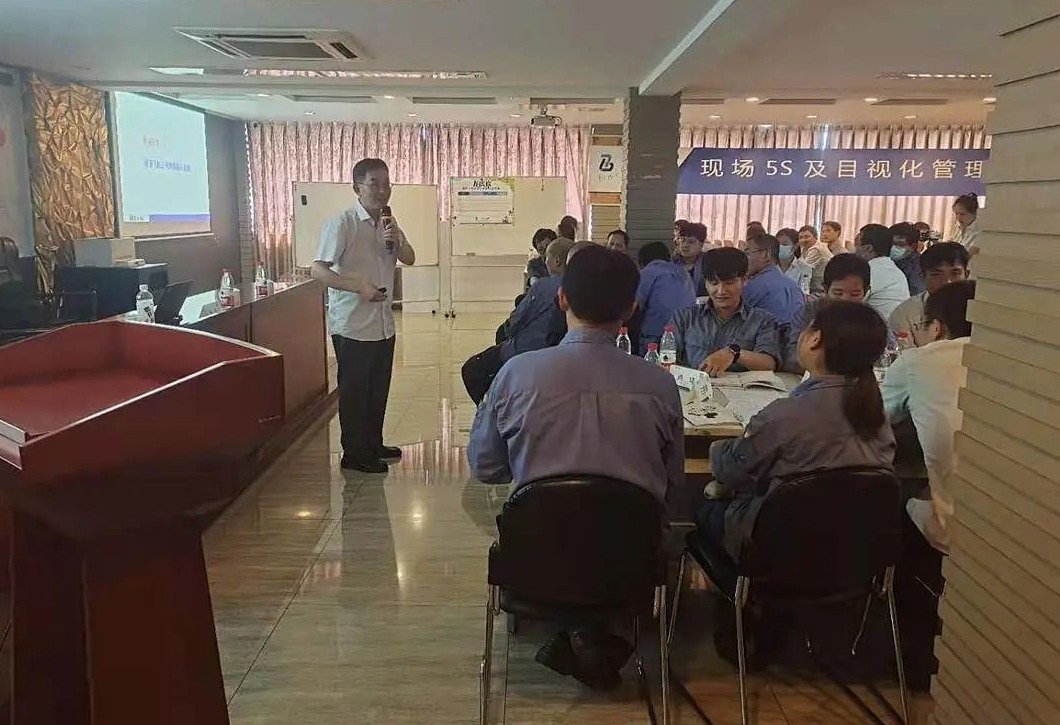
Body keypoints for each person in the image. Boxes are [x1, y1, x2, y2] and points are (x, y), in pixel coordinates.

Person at [468, 245, 684, 691]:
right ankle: (593, 634)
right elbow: (672, 486)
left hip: (537, 557)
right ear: (631, 309)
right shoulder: (660, 385)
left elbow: (486, 467)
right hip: (631, 559)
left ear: (562, 298)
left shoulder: (516, 375)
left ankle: (578, 632)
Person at [697, 301, 895, 561]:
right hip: (852, 554)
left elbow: (730, 470)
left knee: (702, 505)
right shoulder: (878, 417)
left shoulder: (784, 415)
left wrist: (719, 449)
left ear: (815, 338)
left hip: (776, 550)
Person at [312, 158, 416, 474]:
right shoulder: (342, 224)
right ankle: (354, 454)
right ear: (357, 187)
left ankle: (373, 443)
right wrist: (357, 286)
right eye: (374, 184)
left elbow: (410, 258)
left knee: (377, 390)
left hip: (383, 324)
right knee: (355, 393)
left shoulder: (389, 222)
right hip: (353, 324)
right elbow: (318, 270)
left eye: (387, 184)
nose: (382, 190)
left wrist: (397, 240)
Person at [882, 281, 976, 553]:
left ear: (936, 327)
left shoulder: (917, 361)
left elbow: (876, 418)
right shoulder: (1018, 361)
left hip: (956, 531)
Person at [462, 238, 573, 405]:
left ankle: (491, 410)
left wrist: (508, 331)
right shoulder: (579, 288)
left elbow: (516, 321)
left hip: (526, 350)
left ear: (557, 260)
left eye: (547, 257)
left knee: (472, 369)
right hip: (557, 354)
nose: (544, 261)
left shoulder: (544, 287)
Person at [669, 247, 781, 374]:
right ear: (705, 282)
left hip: (740, 386)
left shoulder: (762, 320)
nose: (721, 291)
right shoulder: (684, 317)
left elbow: (769, 363)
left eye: (729, 283)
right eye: (714, 283)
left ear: (744, 280)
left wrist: (734, 353)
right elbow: (667, 360)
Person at [783, 254, 889, 373]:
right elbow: (792, 358)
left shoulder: (872, 319)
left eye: (854, 294)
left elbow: (887, 354)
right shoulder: (808, 313)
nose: (845, 300)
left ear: (866, 291)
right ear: (825, 289)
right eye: (838, 293)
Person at [889, 242, 970, 348]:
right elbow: (904, 355)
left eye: (955, 273)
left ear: (966, 275)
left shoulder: (978, 310)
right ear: (922, 277)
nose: (947, 282)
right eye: (937, 275)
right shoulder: (904, 314)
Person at [635, 242, 696, 354]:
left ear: (642, 262)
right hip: (687, 333)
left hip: (655, 335)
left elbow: (635, 305)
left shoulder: (648, 272)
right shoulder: (684, 272)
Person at [741, 233, 805, 327]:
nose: (743, 259)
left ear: (766, 255)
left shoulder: (752, 287)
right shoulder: (794, 287)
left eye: (747, 253)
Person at [855, 223, 910, 319]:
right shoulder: (892, 269)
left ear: (868, 248)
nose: (855, 250)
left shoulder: (870, 270)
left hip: (879, 326)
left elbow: (849, 302)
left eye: (857, 245)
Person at [796, 224, 833, 297]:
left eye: (807, 237)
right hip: (815, 286)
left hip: (822, 290)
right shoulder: (805, 248)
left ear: (816, 237)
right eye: (800, 237)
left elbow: (802, 269)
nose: (803, 240)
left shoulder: (817, 249)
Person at [889, 222, 926, 295]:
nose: (893, 248)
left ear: (913, 246)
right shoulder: (887, 260)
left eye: (900, 245)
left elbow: (917, 293)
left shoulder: (919, 266)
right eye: (891, 244)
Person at [776, 227, 812, 296]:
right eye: (778, 244)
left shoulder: (805, 268)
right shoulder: (770, 267)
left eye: (784, 244)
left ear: (795, 246)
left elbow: (804, 293)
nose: (780, 247)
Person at [675, 224, 708, 295]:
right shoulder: (671, 262)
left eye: (691, 241)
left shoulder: (708, 262)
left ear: (701, 244)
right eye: (682, 240)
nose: (685, 245)